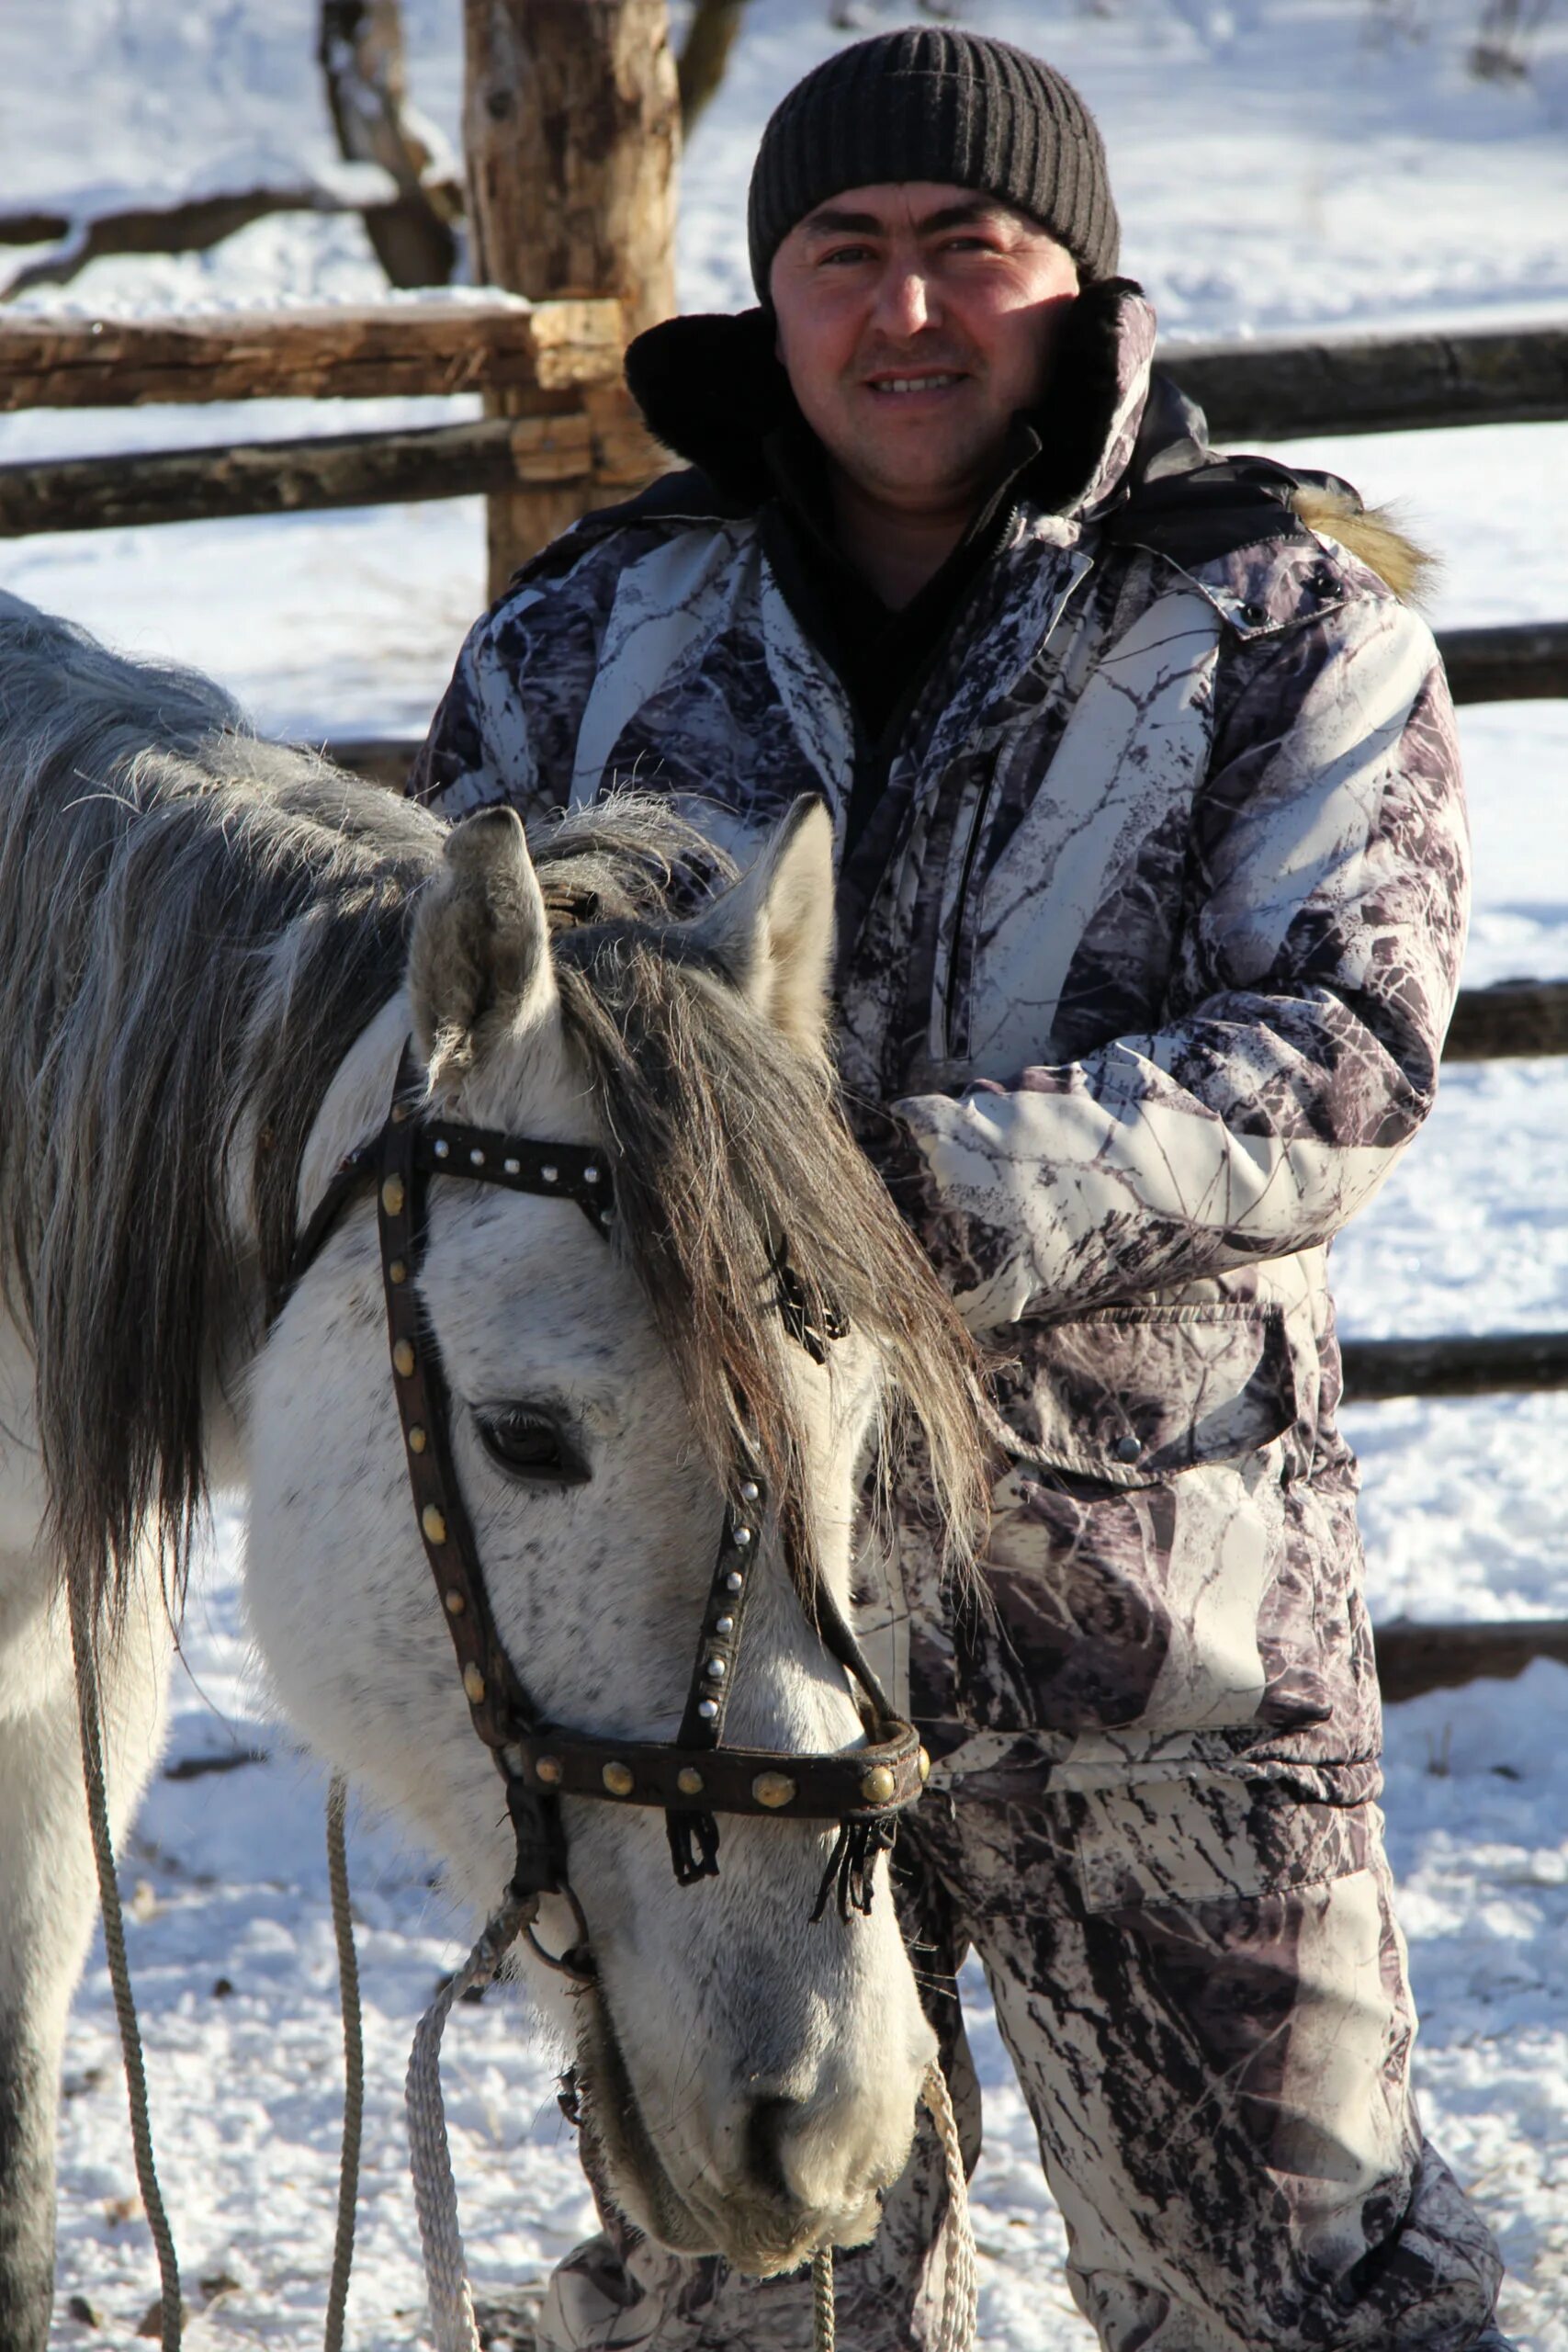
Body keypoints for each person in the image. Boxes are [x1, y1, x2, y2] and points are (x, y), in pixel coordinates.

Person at [411, 28, 1511, 2352]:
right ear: (769, 295)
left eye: (964, 251)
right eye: (844, 254)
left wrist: (878, 1196)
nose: (903, 310)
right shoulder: (584, 638)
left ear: (1072, 285)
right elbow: (459, 1080)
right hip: (714, 1680)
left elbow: (1336, 1051)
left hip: (1152, 1646)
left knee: (1287, 2304)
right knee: (740, 2304)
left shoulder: (1275, 620)